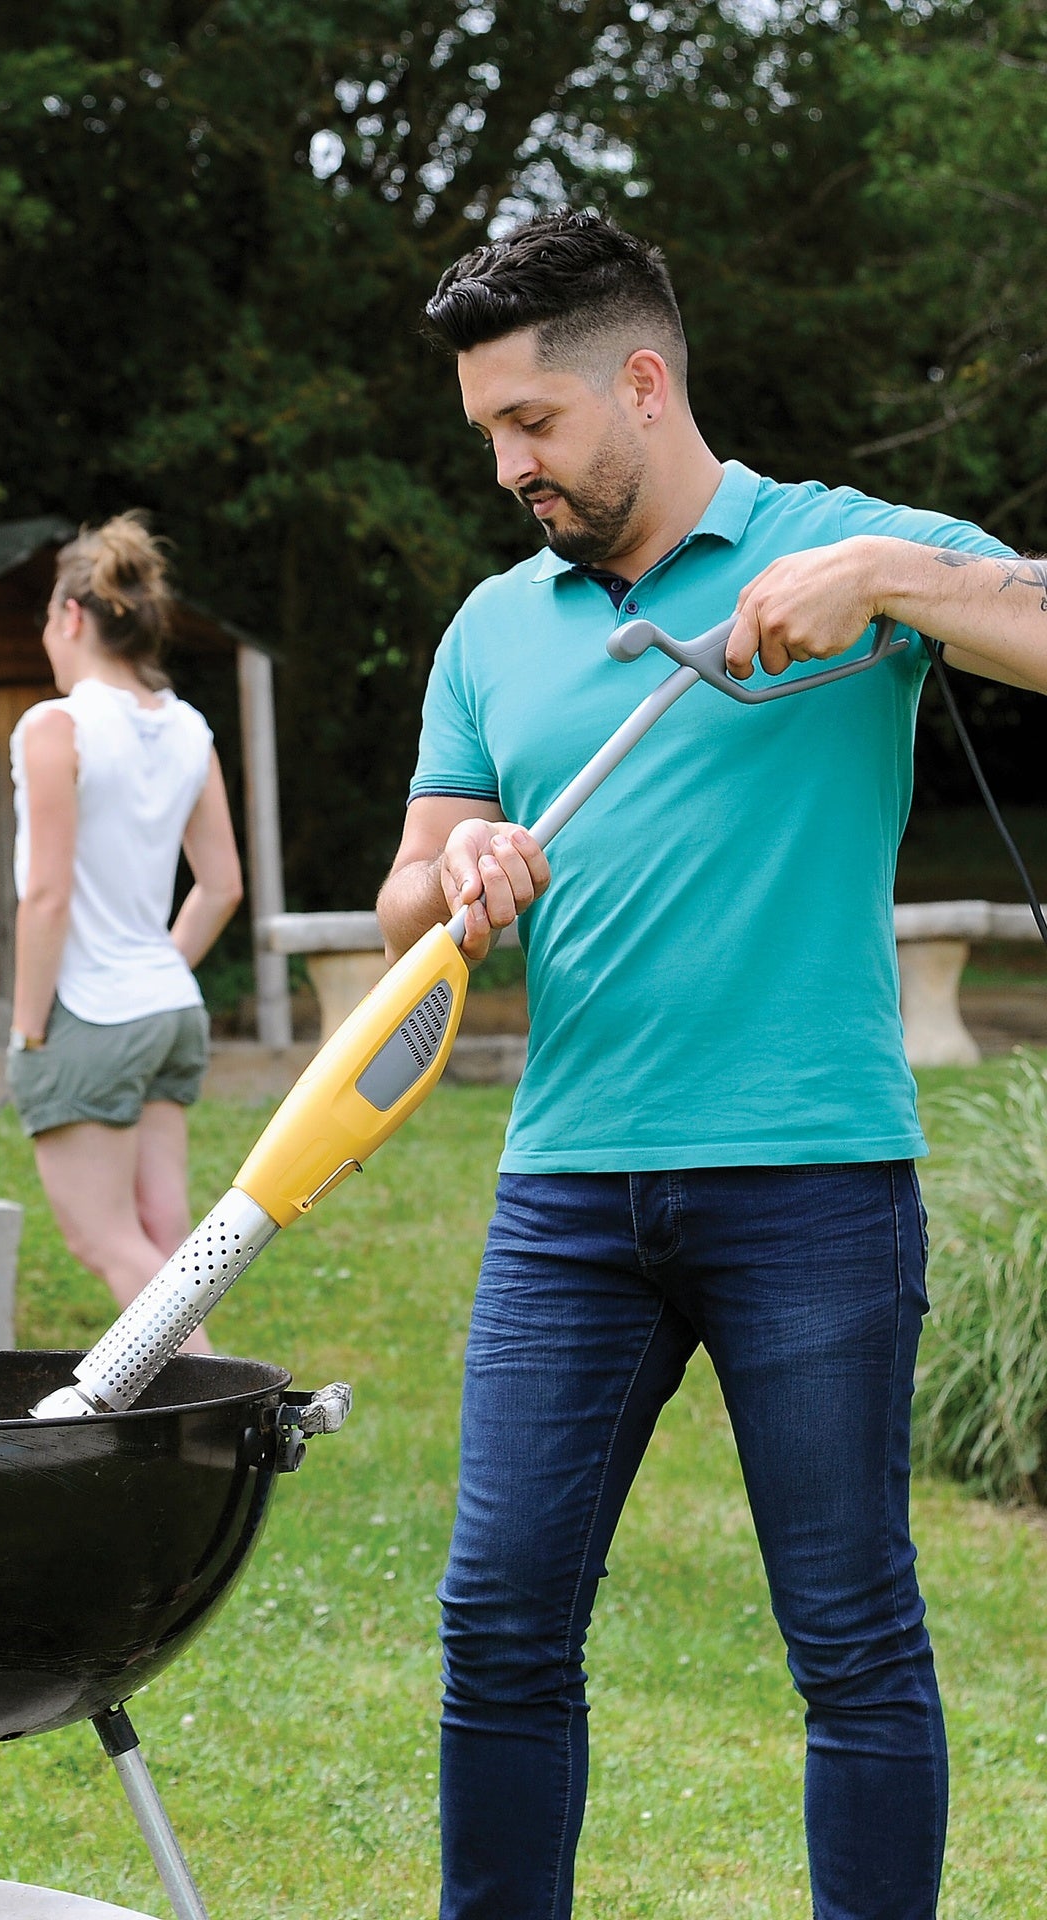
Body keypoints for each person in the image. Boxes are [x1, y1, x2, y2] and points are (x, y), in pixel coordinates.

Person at [379, 208, 1047, 1920]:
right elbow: (405, 893)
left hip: (813, 1179)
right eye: (488, 434)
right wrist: (459, 875)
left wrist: (888, 579)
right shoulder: (493, 627)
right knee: (498, 1620)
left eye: (531, 423)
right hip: (566, 1194)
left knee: (850, 1633)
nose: (508, 467)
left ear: (642, 382)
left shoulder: (841, 547)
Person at [7, 512, 243, 1344]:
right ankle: (203, 1403)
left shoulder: (54, 726)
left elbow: (46, 894)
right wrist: (156, 970)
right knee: (163, 1233)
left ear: (72, 616)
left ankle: (223, 1403)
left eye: (47, 617)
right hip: (168, 1006)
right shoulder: (189, 727)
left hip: (88, 1011)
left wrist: (27, 1030)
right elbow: (221, 885)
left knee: (104, 1239)